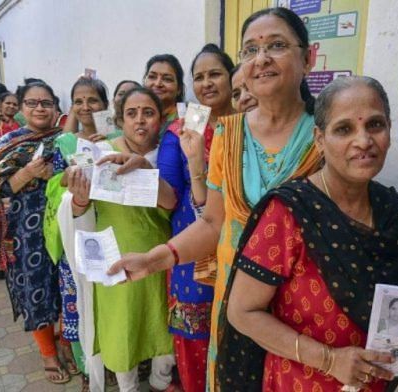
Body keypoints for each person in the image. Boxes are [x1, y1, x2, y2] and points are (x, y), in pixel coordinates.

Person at [108, 7, 323, 390]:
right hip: (235, 301)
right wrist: (154, 259)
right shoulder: (228, 134)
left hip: (302, 305)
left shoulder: (326, 135)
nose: (261, 59)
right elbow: (213, 222)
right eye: (250, 50)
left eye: (276, 45)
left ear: (308, 58)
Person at [220, 76, 398, 391]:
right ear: (320, 139)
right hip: (300, 381)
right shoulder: (290, 212)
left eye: (375, 125)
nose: (363, 141)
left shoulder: (394, 212)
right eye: (344, 129)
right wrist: (330, 360)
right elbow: (242, 312)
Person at [63, 86, 177, 392]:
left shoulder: (170, 153)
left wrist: (146, 169)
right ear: (120, 120)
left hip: (161, 256)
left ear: (160, 119)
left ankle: (159, 380)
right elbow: (75, 205)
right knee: (121, 329)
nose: (140, 121)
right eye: (131, 113)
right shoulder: (101, 154)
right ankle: (128, 387)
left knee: (162, 324)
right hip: (114, 257)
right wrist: (79, 199)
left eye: (148, 113)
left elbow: (173, 204)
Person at [156, 43, 235, 392]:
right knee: (194, 333)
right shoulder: (181, 131)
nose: (207, 83)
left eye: (215, 74)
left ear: (232, 78)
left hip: (243, 242)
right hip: (194, 245)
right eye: (199, 77)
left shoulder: (252, 123)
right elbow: (169, 196)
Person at [0, 81, 67, 384]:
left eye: (46, 103)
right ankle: (48, 353)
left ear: (56, 107)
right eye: (32, 103)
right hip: (25, 233)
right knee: (35, 287)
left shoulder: (67, 139)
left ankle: (66, 341)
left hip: (65, 225)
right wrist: (28, 173)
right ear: (21, 108)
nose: (39, 108)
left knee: (65, 285)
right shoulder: (10, 143)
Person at [43, 76, 113, 388]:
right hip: (77, 233)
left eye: (93, 100)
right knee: (78, 306)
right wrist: (71, 179)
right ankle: (88, 371)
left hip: (112, 231)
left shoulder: (117, 137)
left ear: (104, 105)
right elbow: (53, 186)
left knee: (110, 301)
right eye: (79, 101)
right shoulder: (65, 143)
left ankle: (113, 361)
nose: (86, 106)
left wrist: (106, 152)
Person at [144, 54, 185, 139]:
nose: (158, 84)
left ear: (179, 89)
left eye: (167, 79)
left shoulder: (189, 119)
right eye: (152, 77)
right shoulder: (137, 117)